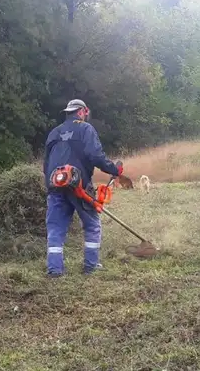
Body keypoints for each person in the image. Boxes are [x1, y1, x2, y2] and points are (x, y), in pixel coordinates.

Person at [43, 99, 122, 277]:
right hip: (79, 185)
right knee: (92, 224)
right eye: (85, 113)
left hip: (55, 184)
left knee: (55, 228)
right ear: (82, 111)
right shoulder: (86, 129)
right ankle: (91, 266)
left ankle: (54, 270)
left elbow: (46, 164)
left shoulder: (54, 133)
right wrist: (114, 169)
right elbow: (95, 156)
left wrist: (49, 185)